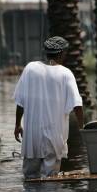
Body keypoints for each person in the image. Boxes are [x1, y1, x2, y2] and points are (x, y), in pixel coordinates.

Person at [13, 36, 84, 178]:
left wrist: (17, 125)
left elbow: (20, 102)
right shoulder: (66, 73)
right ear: (62, 53)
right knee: (50, 182)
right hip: (54, 138)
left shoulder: (30, 69)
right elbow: (77, 106)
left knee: (30, 179)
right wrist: (83, 128)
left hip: (32, 137)